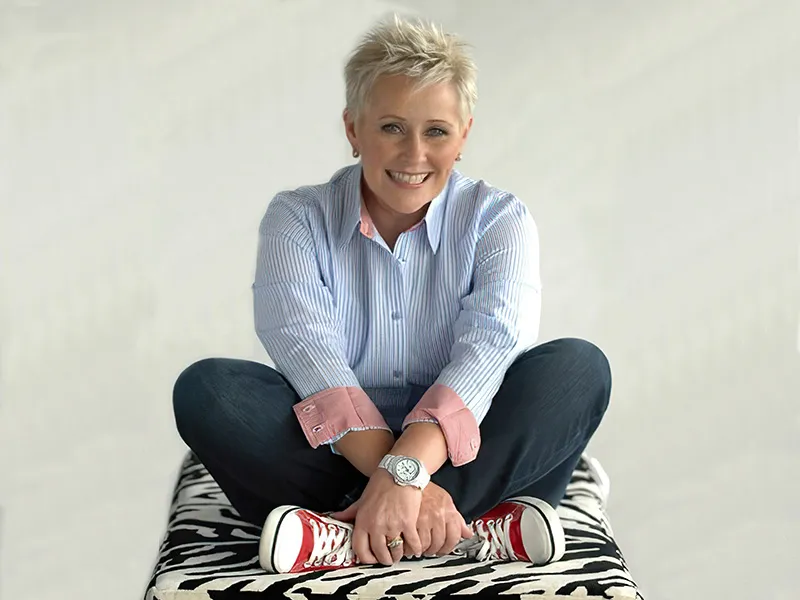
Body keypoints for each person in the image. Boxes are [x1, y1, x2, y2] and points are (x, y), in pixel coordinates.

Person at [172, 14, 611, 574]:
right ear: (353, 129)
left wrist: (406, 473)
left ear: (464, 136)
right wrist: (404, 479)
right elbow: (310, 355)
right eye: (391, 128)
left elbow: (491, 348)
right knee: (208, 390)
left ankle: (334, 532)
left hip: (469, 450)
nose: (413, 155)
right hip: (335, 454)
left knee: (578, 368)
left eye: (436, 131)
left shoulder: (501, 219)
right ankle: (473, 526)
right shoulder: (296, 219)